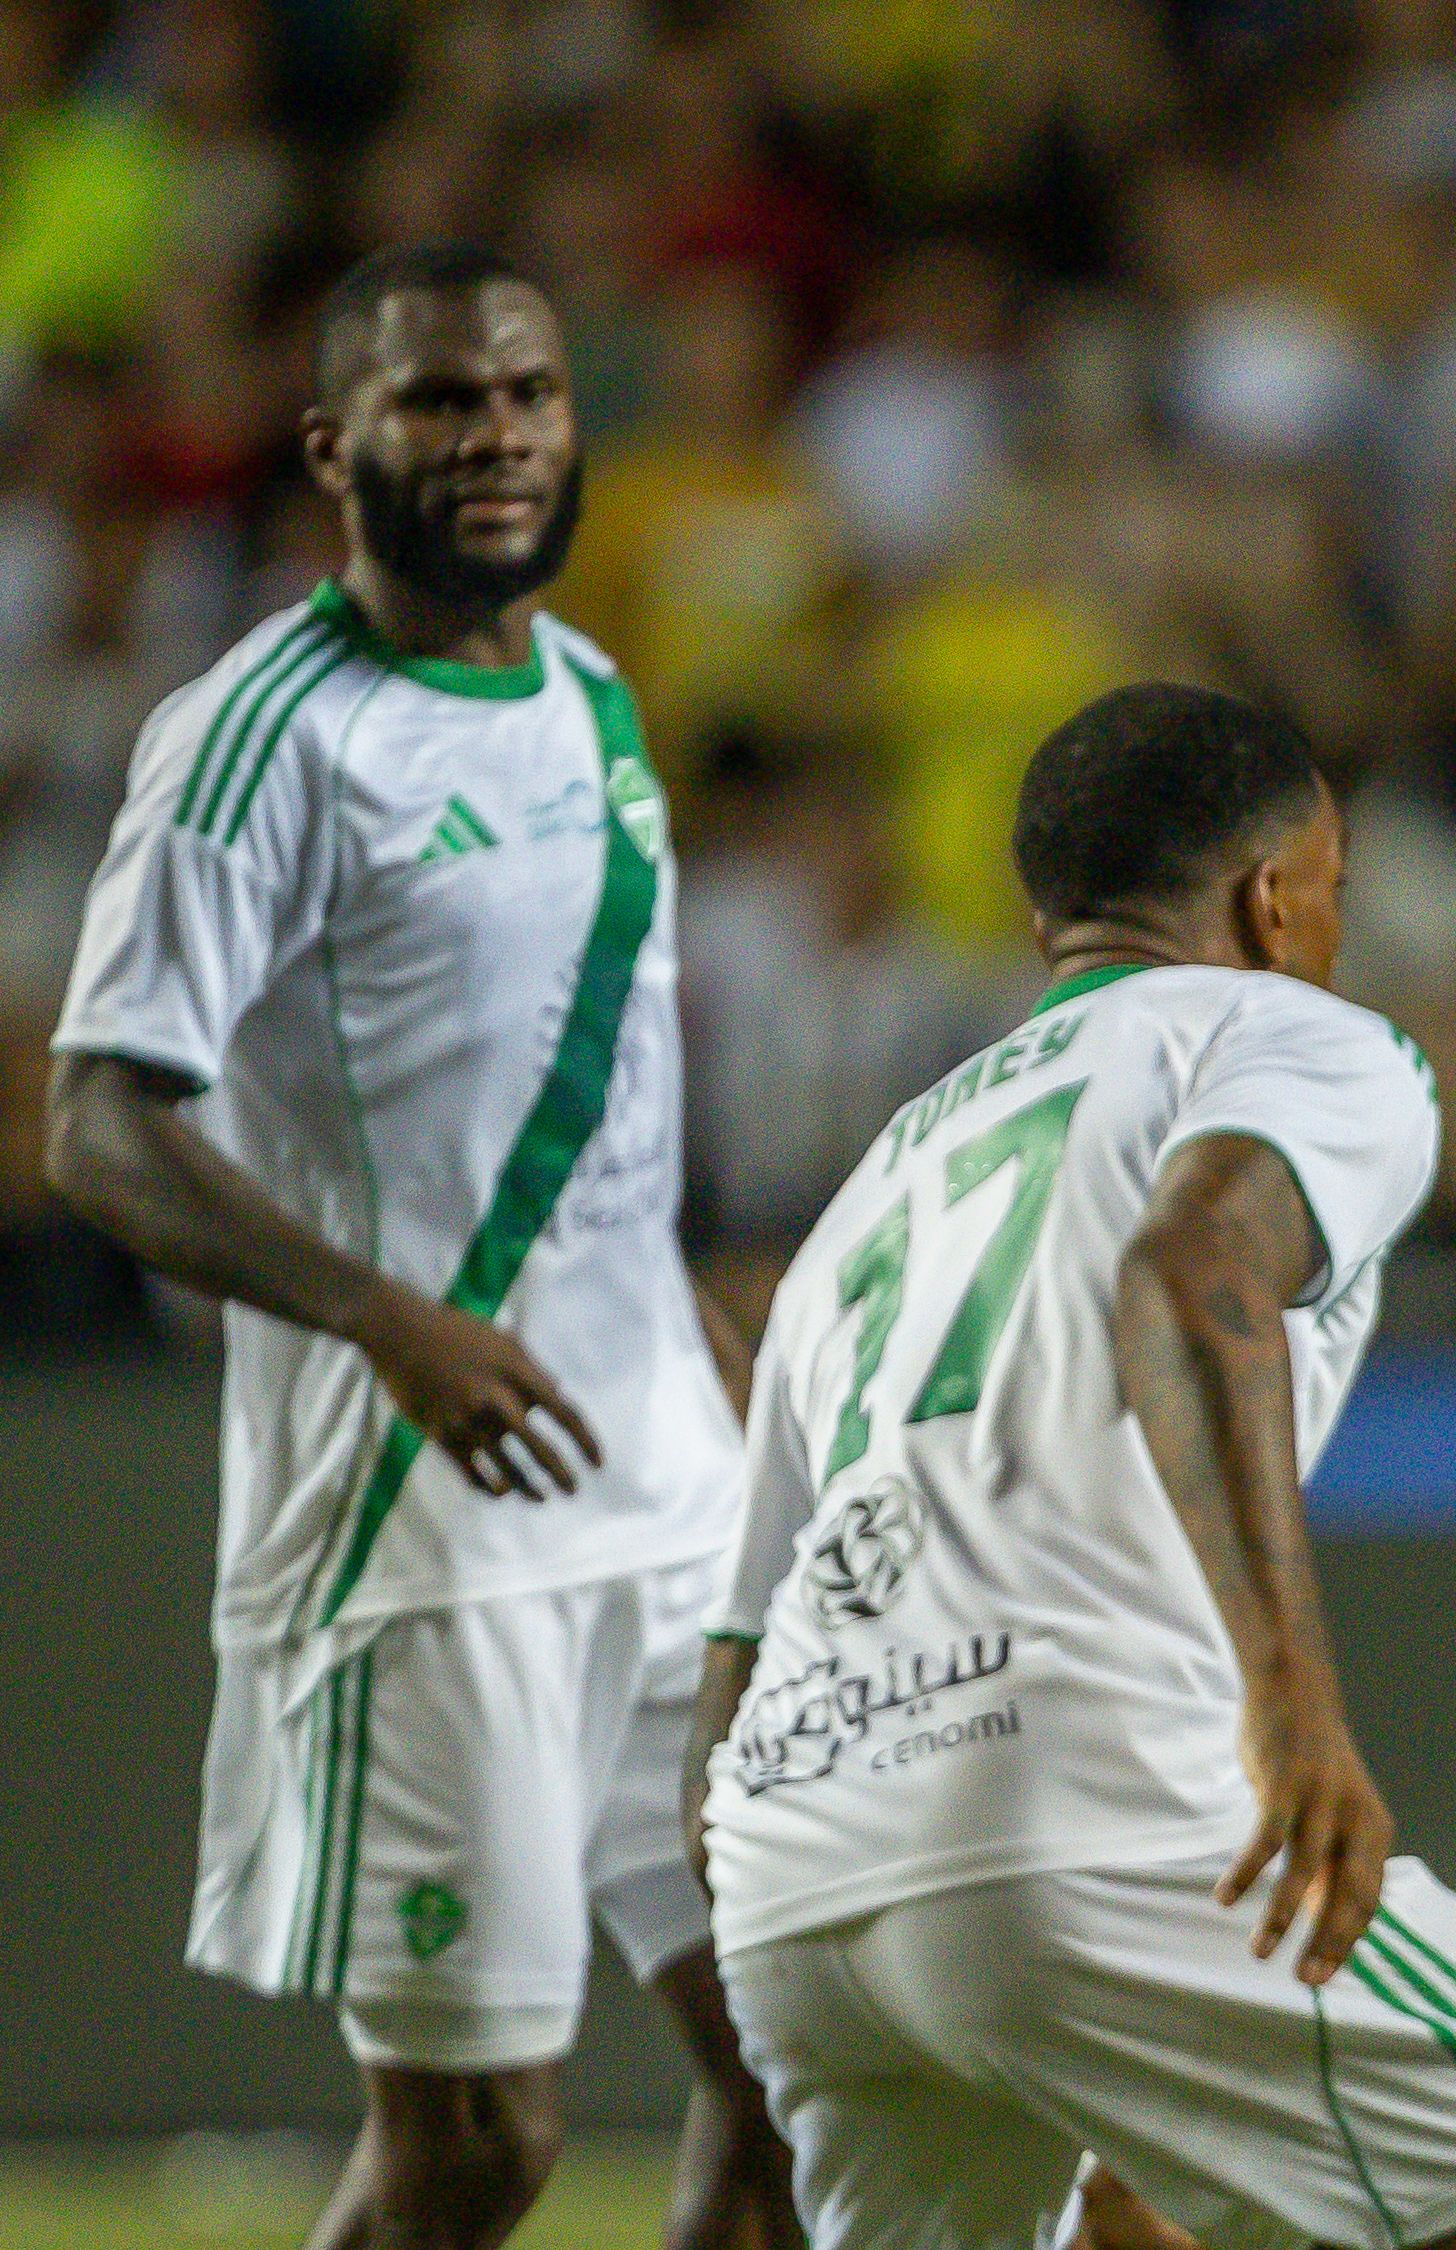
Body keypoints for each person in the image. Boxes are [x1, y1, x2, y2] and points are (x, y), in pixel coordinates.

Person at [688, 683, 1456, 2250]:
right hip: (1080, 1807)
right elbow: (1189, 1266)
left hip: (801, 1880)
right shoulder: (1296, 1037)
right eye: (1337, 891)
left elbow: (731, 1666)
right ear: (1275, 897)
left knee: (1127, 2212)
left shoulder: (878, 1185)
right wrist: (1291, 1703)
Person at [41, 243, 794, 2249]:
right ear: (330, 446)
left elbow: (596, 1074)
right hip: (419, 1526)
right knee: (480, 2149)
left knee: (809, 2058)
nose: (494, 438)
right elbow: (97, 1126)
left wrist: (690, 1317)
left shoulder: (598, 695)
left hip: (666, 1499)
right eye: (439, 403)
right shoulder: (261, 739)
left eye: (528, 397)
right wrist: (388, 1324)